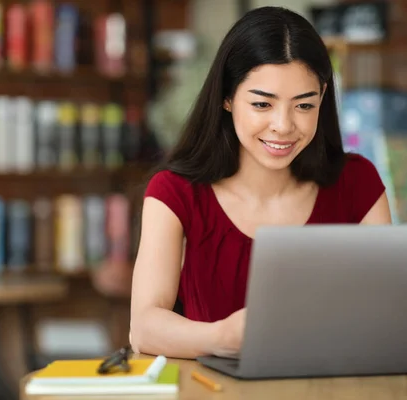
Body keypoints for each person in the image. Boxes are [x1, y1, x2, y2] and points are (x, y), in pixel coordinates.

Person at [129, 6, 392, 360]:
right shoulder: (175, 193)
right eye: (262, 104)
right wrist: (222, 337)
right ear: (227, 97)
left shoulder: (357, 183)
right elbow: (143, 328)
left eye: (303, 105)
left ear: (323, 97)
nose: (283, 126)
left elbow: (388, 312)